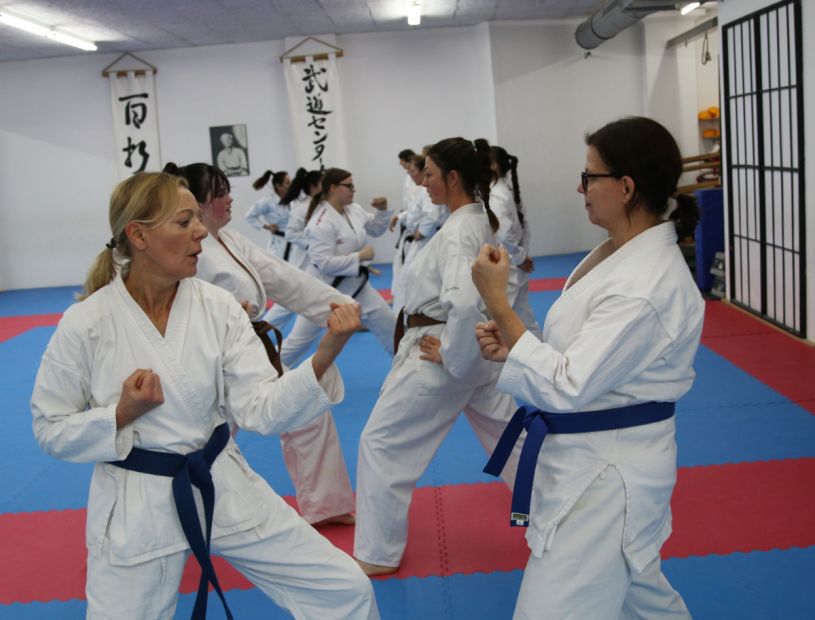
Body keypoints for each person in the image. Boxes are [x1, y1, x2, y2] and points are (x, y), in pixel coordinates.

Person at [31, 172, 378, 619]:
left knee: (343, 588)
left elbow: (260, 410)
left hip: (220, 476)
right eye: (183, 222)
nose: (200, 231)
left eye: (197, 218)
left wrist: (323, 358)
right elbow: (49, 428)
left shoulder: (217, 307)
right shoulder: (85, 324)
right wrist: (120, 414)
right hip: (135, 499)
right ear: (138, 234)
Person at [471, 116, 703, 619]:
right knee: (642, 597)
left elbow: (569, 383)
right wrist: (518, 343)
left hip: (606, 475)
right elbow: (587, 355)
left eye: (589, 176)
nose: (580, 186)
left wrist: (500, 306)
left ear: (625, 187)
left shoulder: (646, 283)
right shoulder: (616, 255)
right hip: (590, 456)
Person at [353, 138, 520, 576]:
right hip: (470, 348)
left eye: (428, 173)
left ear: (452, 177)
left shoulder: (461, 229)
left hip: (443, 351)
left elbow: (465, 301)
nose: (422, 182)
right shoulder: (474, 219)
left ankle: (376, 554)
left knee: (381, 442)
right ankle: (569, 513)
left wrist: (451, 353)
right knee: (510, 441)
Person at [165, 162, 356, 526]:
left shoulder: (230, 240)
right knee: (207, 443)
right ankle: (169, 520)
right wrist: (224, 311)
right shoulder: (184, 249)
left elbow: (283, 278)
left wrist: (337, 306)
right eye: (221, 192)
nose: (230, 198)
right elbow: (172, 300)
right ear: (199, 202)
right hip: (209, 358)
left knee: (308, 411)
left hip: (252, 349)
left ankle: (326, 506)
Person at [280, 168, 396, 368]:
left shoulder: (354, 210)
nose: (354, 190)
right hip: (323, 290)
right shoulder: (321, 222)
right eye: (349, 186)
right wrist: (359, 256)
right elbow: (324, 263)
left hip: (356, 286)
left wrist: (383, 210)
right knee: (298, 342)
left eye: (353, 185)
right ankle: (265, 374)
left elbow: (376, 229)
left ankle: (407, 369)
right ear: (333, 188)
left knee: (390, 327)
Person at [261, 167, 324, 331]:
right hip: (303, 261)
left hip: (317, 262)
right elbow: (291, 234)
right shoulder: (303, 207)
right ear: (314, 187)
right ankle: (259, 331)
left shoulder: (320, 206)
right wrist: (313, 245)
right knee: (289, 303)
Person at [489, 146, 542, 338]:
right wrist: (522, 255)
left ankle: (494, 365)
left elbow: (503, 232)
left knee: (498, 322)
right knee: (525, 319)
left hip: (507, 266)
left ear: (493, 165)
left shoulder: (495, 195)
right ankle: (541, 353)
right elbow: (524, 227)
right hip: (513, 264)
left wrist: (520, 258)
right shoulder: (504, 190)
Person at [245, 169, 292, 257]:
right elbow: (249, 216)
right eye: (288, 183)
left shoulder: (294, 200)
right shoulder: (268, 201)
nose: (291, 185)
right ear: (278, 186)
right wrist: (266, 226)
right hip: (278, 243)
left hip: (295, 242)